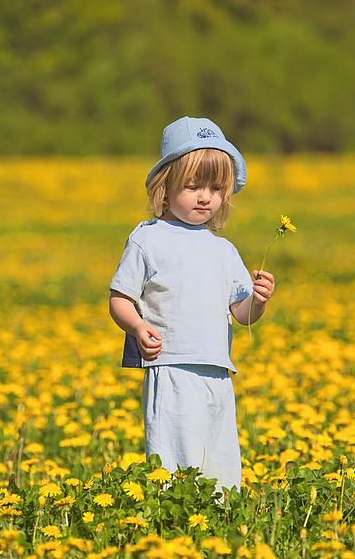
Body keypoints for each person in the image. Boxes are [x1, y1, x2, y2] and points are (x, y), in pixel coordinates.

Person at [108, 116, 275, 493]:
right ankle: (175, 521)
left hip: (217, 371)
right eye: (193, 186)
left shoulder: (223, 249)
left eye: (216, 189)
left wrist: (259, 301)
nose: (206, 197)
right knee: (175, 456)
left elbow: (241, 313)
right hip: (171, 365)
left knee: (221, 457)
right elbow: (120, 298)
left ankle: (219, 518)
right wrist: (136, 327)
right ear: (164, 188)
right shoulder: (147, 240)